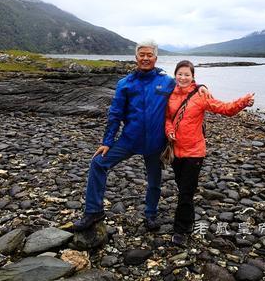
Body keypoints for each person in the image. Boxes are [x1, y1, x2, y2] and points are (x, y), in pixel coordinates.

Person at [73, 41, 210, 231]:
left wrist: (201, 85)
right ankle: (93, 211)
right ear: (136, 58)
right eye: (142, 55)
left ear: (155, 58)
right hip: (129, 140)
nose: (145, 58)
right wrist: (107, 142)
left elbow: (185, 86)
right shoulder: (125, 84)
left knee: (154, 181)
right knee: (98, 163)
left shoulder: (166, 81)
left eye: (149, 55)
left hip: (155, 143)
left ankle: (151, 214)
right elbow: (115, 114)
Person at [166, 60, 254, 246]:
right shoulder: (169, 94)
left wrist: (243, 102)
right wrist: (169, 130)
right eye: (180, 74)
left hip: (195, 151)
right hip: (175, 151)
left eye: (186, 75)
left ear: (193, 77)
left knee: (186, 192)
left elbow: (224, 109)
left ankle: (180, 231)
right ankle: (189, 221)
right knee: (183, 189)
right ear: (175, 75)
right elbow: (167, 117)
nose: (183, 77)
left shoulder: (200, 95)